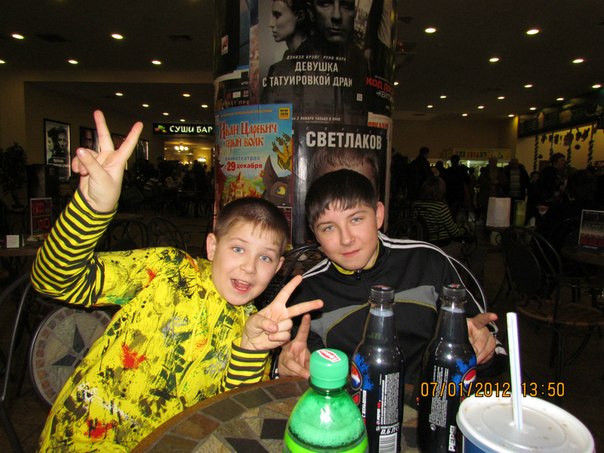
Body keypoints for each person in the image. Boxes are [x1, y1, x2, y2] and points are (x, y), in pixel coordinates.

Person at [30, 110, 322, 451]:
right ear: (212, 246)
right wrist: (91, 208)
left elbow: (228, 417)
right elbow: (54, 279)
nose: (249, 267)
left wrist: (251, 348)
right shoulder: (169, 269)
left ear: (278, 268)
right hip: (79, 438)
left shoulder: (253, 327)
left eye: (265, 258)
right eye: (238, 248)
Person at [276, 169, 505, 388]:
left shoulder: (427, 261)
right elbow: (294, 370)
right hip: (347, 409)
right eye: (328, 228)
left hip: (432, 402)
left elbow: (495, 351)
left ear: (378, 215)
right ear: (315, 234)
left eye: (356, 219)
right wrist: (283, 369)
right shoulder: (305, 292)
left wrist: (483, 351)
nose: (346, 239)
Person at [411, 176, 470, 257]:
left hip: (422, 242)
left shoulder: (416, 205)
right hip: (440, 245)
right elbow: (454, 232)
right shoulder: (441, 207)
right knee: (464, 246)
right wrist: (465, 229)